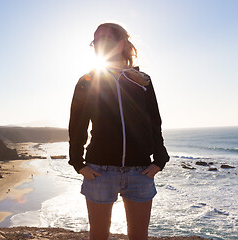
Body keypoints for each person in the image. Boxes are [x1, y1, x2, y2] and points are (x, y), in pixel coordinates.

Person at [68, 23, 170, 240]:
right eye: (96, 40)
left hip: (140, 170)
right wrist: (78, 163)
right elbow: (77, 125)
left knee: (139, 237)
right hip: (99, 171)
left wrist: (160, 159)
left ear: (122, 43)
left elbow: (154, 122)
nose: (99, 44)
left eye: (106, 38)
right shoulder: (87, 81)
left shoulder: (142, 81)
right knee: (98, 237)